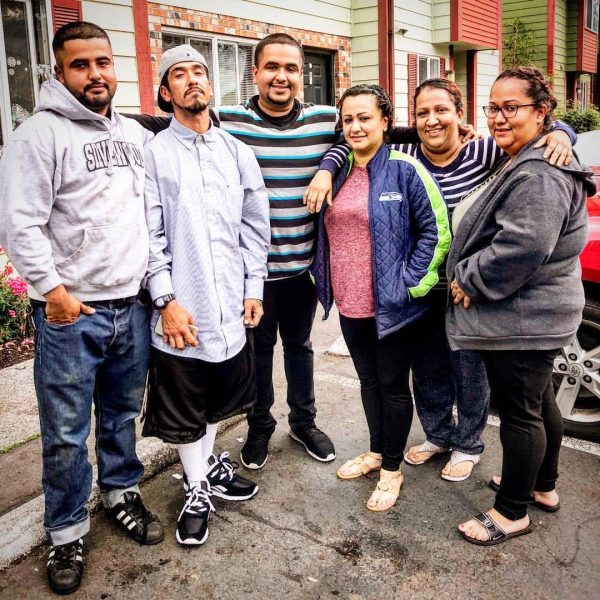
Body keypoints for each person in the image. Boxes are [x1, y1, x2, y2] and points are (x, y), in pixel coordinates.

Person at [309, 79, 575, 482]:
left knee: (469, 370)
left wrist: (561, 131)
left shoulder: (484, 150)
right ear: (411, 122)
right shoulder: (405, 150)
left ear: (461, 114)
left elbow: (534, 131)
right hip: (422, 292)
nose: (432, 121)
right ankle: (438, 435)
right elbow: (357, 138)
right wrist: (328, 168)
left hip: (470, 286)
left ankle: (468, 443)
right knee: (429, 369)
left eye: (441, 111)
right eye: (422, 113)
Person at [0, 22, 163, 595]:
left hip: (131, 305)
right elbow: (19, 223)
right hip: (74, 312)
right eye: (81, 64)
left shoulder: (134, 134)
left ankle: (121, 493)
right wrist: (55, 292)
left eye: (103, 62)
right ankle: (66, 530)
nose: (96, 74)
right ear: (58, 71)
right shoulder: (38, 135)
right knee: (66, 432)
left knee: (121, 414)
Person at [130, 33, 340, 470]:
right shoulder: (229, 119)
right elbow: (167, 120)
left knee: (299, 348)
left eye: (291, 68)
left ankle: (304, 422)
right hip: (253, 275)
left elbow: (368, 131)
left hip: (299, 267)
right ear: (255, 73)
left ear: (302, 75)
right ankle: (260, 427)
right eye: (272, 68)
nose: (281, 76)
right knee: (257, 355)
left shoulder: (326, 119)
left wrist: (328, 165)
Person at [447, 67, 593, 545]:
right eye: (493, 107)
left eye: (512, 107)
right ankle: (541, 486)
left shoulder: (539, 172)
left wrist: (470, 278)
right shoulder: (530, 156)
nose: (499, 117)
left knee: (519, 412)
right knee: (538, 401)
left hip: (526, 317)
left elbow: (523, 247)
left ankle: (511, 512)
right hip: (536, 313)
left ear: (541, 112)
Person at [142, 44, 271, 546]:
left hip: (231, 308)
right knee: (186, 404)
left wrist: (253, 287)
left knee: (217, 401)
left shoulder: (237, 152)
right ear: (165, 91)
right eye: (180, 74)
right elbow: (149, 235)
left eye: (200, 71)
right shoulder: (155, 155)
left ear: (210, 85)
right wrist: (165, 301)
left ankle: (207, 467)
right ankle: (197, 486)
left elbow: (254, 227)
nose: (193, 79)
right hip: (182, 306)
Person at [312, 84, 451, 511]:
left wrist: (410, 284)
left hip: (394, 307)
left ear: (385, 122)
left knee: (392, 387)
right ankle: (376, 452)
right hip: (351, 303)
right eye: (348, 119)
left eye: (364, 117)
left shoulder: (407, 171)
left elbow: (438, 231)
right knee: (369, 382)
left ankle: (392, 471)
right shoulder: (337, 169)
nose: (355, 126)